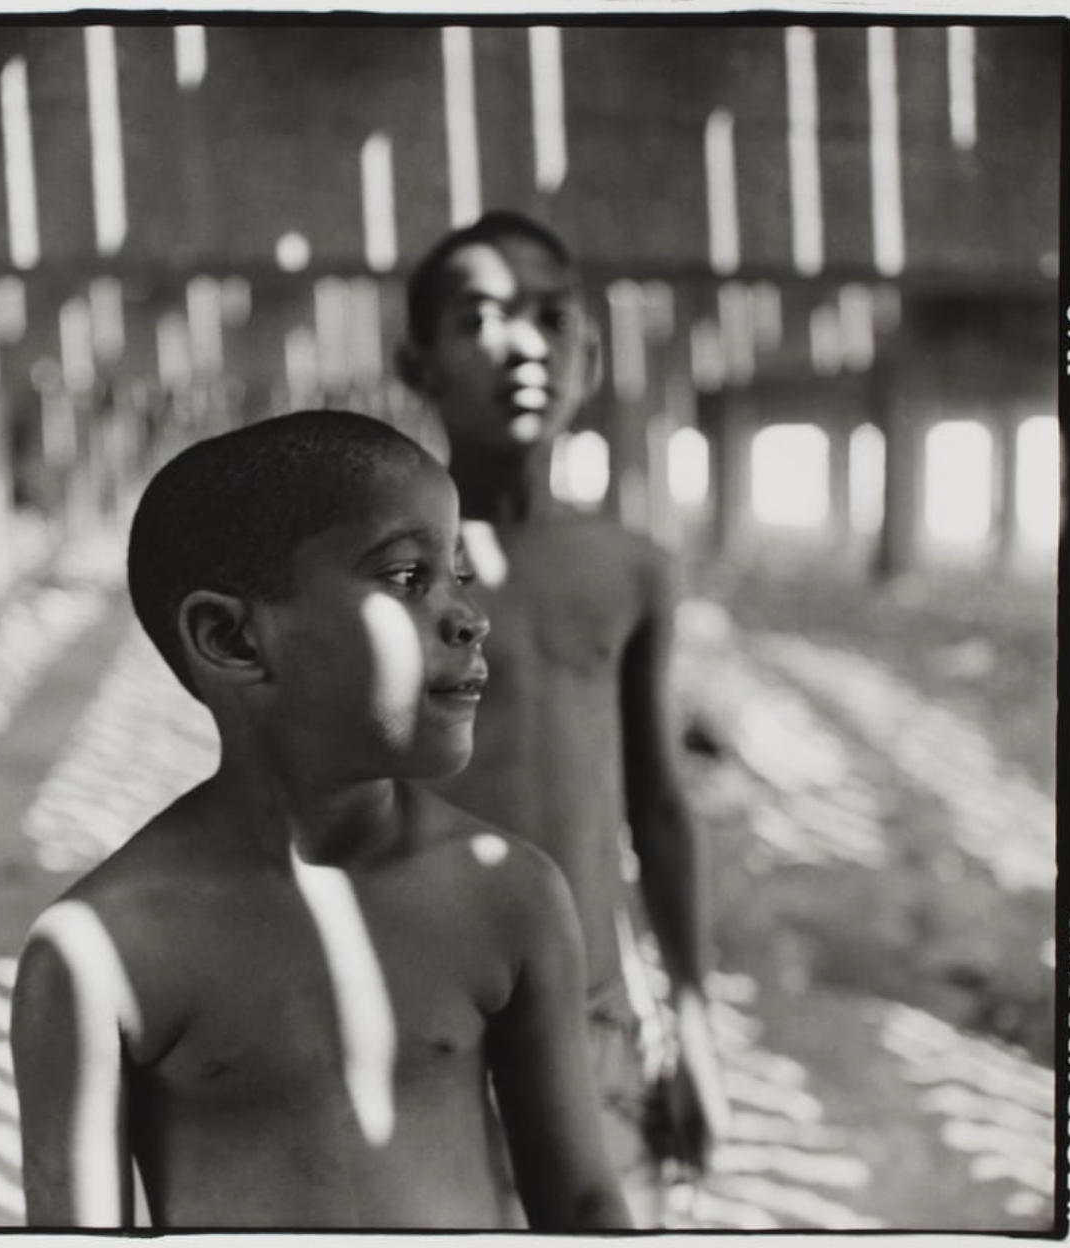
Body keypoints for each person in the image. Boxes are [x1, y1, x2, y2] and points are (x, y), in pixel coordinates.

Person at [8, 409, 631, 1231]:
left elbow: (582, 1202)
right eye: (408, 578)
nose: (470, 617)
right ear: (231, 638)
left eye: (460, 575)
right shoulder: (106, 949)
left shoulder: (510, 896)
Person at [397, 211, 731, 1225]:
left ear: (587, 357)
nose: (524, 345)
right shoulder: (382, 576)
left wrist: (692, 1024)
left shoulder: (630, 571)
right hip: (420, 1016)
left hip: (591, 1014)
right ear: (417, 364)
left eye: (550, 317)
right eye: (479, 318)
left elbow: (657, 811)